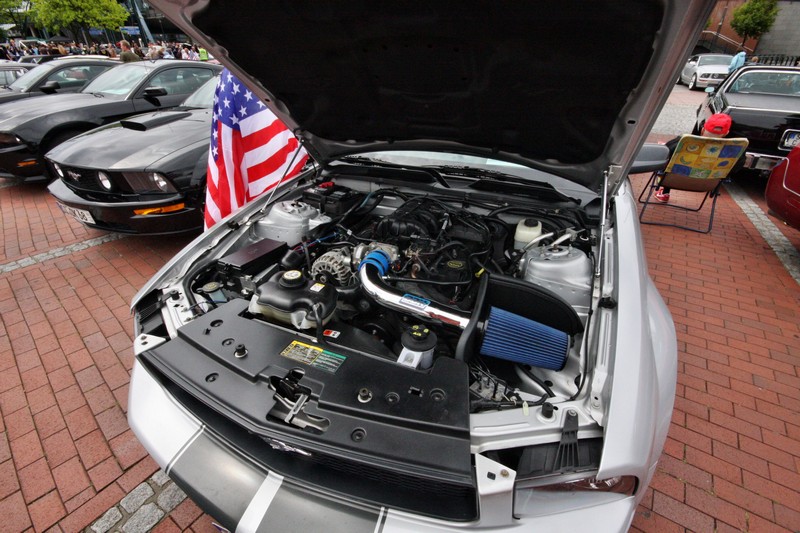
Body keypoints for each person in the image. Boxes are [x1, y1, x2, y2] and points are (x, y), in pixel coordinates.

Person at [654, 113, 742, 203]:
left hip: (672, 181)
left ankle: (665, 192)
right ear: (726, 133)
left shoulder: (684, 141)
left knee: (670, 161)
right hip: (706, 185)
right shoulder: (732, 151)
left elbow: (664, 152)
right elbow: (736, 168)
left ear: (703, 129)